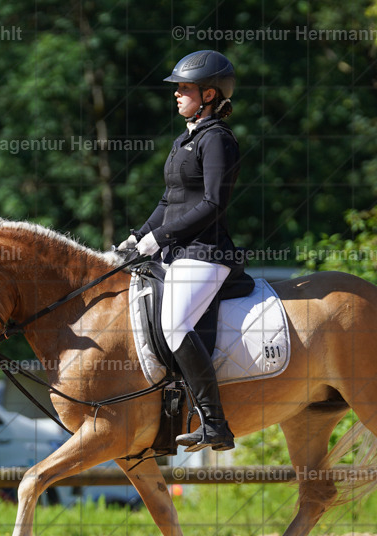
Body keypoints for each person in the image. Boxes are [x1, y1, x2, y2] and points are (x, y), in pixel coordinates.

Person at [118, 49, 242, 453]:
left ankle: (215, 423)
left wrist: (160, 238)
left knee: (174, 324)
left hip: (207, 253)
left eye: (184, 88)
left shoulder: (218, 139)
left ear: (209, 94)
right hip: (178, 252)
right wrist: (138, 237)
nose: (176, 94)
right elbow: (169, 201)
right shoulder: (184, 140)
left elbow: (213, 203)